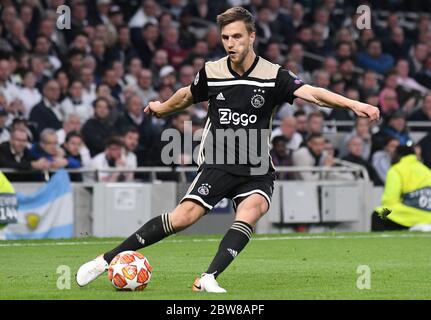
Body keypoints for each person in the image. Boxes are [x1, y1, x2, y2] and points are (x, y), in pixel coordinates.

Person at [76, 7, 379, 293]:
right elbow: (186, 95)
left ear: (251, 37)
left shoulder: (274, 75)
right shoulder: (212, 71)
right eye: (225, 37)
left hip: (257, 168)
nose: (230, 43)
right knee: (183, 218)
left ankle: (208, 277)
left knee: (253, 210)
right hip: (219, 162)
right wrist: (161, 108)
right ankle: (105, 260)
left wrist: (354, 104)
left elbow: (313, 94)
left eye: (236, 36)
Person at [372, 145, 431, 231]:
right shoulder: (427, 170)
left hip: (410, 216)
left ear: (399, 155)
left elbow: (390, 201)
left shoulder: (396, 170)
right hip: (428, 216)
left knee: (378, 214)